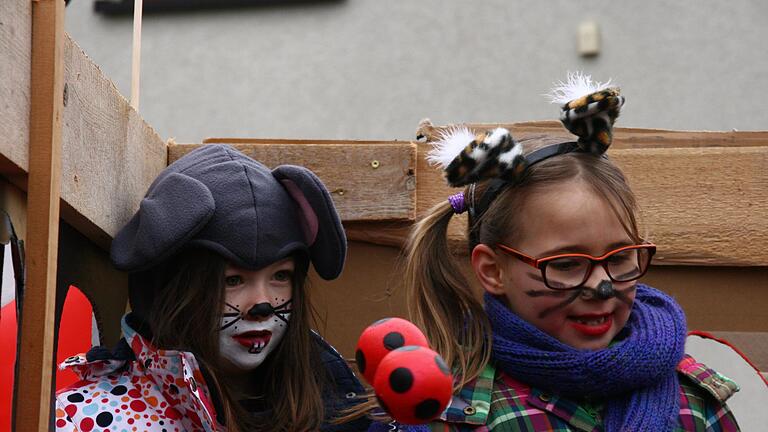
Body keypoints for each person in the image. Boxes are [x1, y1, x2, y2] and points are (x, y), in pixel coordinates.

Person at [372, 73, 740, 431]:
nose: (602, 286)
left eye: (618, 258)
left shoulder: (695, 408)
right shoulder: (448, 414)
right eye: (565, 265)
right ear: (493, 270)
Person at [54, 144, 370, 431]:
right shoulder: (91, 422)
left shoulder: (337, 401)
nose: (262, 306)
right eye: (232, 280)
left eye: (280, 276)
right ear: (170, 290)